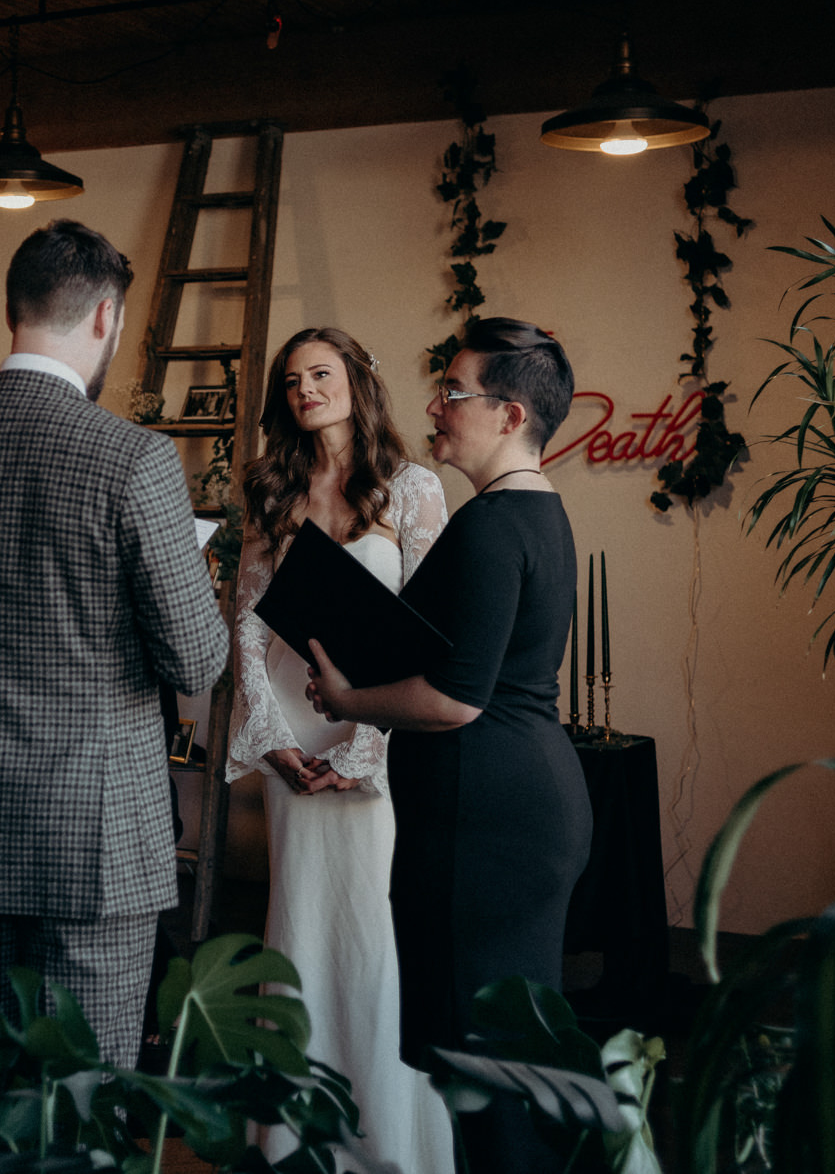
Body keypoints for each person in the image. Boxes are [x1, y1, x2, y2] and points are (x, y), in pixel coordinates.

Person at [0, 219, 229, 1073]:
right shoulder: (135, 459)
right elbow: (196, 662)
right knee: (79, 1104)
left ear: (11, 309)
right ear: (106, 320)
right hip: (96, 837)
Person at [306, 317, 592, 1174]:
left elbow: (458, 698)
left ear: (510, 413)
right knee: (505, 1065)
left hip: (487, 825)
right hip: (518, 805)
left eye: (454, 391)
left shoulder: (493, 526)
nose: (433, 405)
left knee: (489, 1073)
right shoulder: (534, 514)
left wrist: (352, 696)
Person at [228, 327, 453, 1173]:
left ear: (357, 379)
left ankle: (387, 1138)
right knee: (300, 928)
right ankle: (291, 1132)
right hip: (290, 736)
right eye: (291, 380)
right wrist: (274, 739)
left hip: (374, 742)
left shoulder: (412, 487)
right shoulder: (274, 488)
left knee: (374, 934)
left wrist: (362, 745)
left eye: (321, 374)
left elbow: (430, 636)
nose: (306, 390)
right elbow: (246, 621)